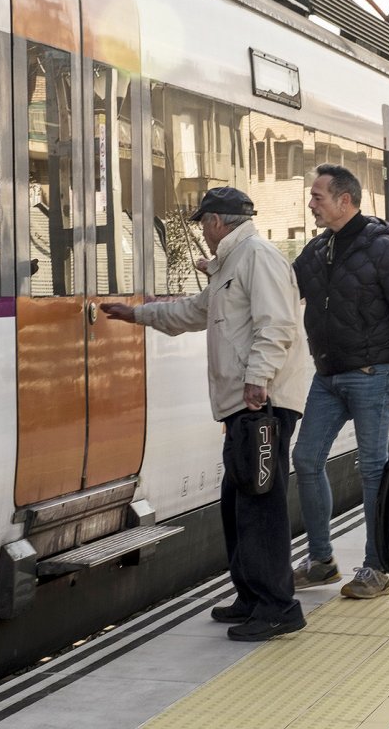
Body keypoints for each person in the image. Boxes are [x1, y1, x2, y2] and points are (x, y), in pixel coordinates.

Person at [100, 186, 310, 642]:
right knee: (239, 501)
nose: (203, 233)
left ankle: (278, 606)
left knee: (260, 502)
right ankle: (252, 596)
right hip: (245, 402)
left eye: (203, 224)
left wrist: (258, 379)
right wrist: (137, 315)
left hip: (262, 401)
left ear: (217, 222)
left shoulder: (257, 256)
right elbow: (194, 313)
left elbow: (278, 324)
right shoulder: (230, 265)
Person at [291, 164, 389, 600]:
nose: (311, 204)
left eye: (318, 197)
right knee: (307, 459)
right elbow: (278, 287)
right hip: (329, 376)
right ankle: (320, 561)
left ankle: (375, 568)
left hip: (373, 375)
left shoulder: (383, 248)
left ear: (344, 201)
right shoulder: (316, 251)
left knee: (372, 469)